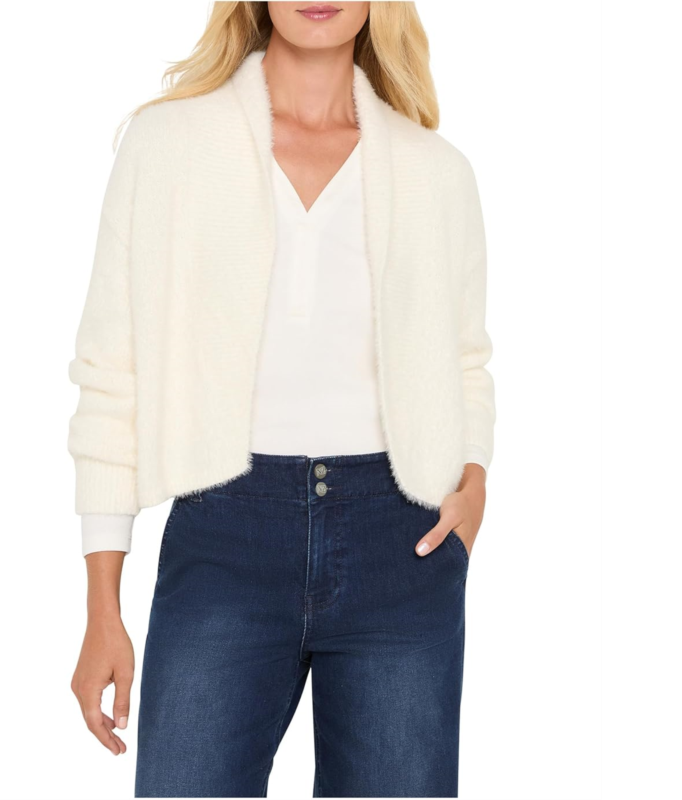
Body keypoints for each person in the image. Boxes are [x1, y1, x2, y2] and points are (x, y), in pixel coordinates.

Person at [68, 2, 494, 797]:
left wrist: (472, 480)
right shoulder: (169, 146)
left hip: (401, 541)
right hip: (225, 532)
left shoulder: (434, 170)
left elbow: (466, 358)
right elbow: (111, 369)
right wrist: (102, 609)